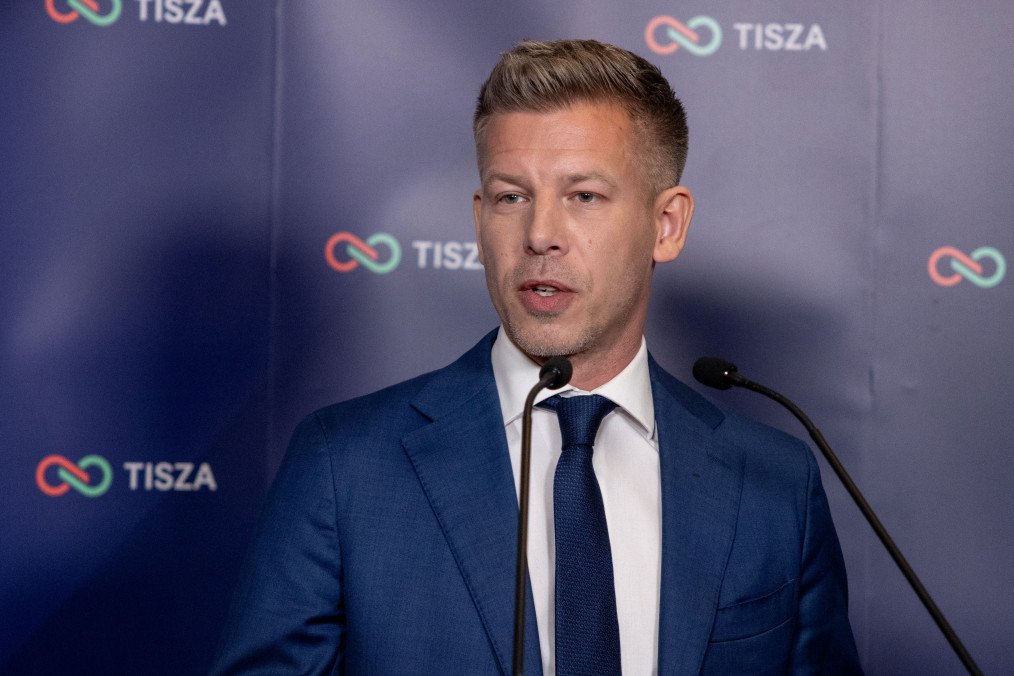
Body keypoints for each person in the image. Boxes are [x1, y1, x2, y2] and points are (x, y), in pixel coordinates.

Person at [211, 39, 862, 674]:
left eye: (583, 195)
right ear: (479, 219)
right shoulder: (344, 466)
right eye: (510, 196)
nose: (540, 234)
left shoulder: (775, 484)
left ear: (667, 225)